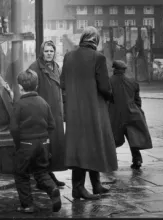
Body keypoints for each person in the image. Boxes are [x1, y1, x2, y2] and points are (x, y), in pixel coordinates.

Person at [60, 26, 118, 200]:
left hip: (74, 109)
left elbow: (63, 82)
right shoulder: (98, 58)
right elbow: (104, 87)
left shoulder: (69, 56)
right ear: (96, 41)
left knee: (81, 145)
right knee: (93, 144)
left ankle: (95, 185)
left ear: (82, 39)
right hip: (93, 108)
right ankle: (79, 188)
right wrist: (111, 96)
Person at [10, 69, 62, 213]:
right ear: (37, 86)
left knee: (21, 173)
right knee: (41, 171)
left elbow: (14, 128)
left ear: (20, 87)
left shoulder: (19, 104)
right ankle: (52, 189)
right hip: (43, 143)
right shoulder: (43, 102)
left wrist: (18, 143)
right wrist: (44, 138)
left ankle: (27, 205)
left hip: (26, 143)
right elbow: (52, 125)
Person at [28, 40, 66, 187]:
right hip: (43, 112)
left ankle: (49, 174)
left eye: (51, 51)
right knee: (44, 146)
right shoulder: (35, 68)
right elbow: (30, 89)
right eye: (46, 51)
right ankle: (42, 177)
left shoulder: (57, 67)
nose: (49, 54)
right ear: (41, 52)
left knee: (54, 146)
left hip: (56, 113)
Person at [108, 60, 153, 169]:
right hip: (132, 112)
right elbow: (137, 100)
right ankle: (137, 160)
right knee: (133, 137)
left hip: (114, 113)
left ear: (114, 69)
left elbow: (106, 97)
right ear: (124, 70)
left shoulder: (108, 81)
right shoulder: (132, 82)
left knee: (111, 138)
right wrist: (138, 110)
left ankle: (110, 161)